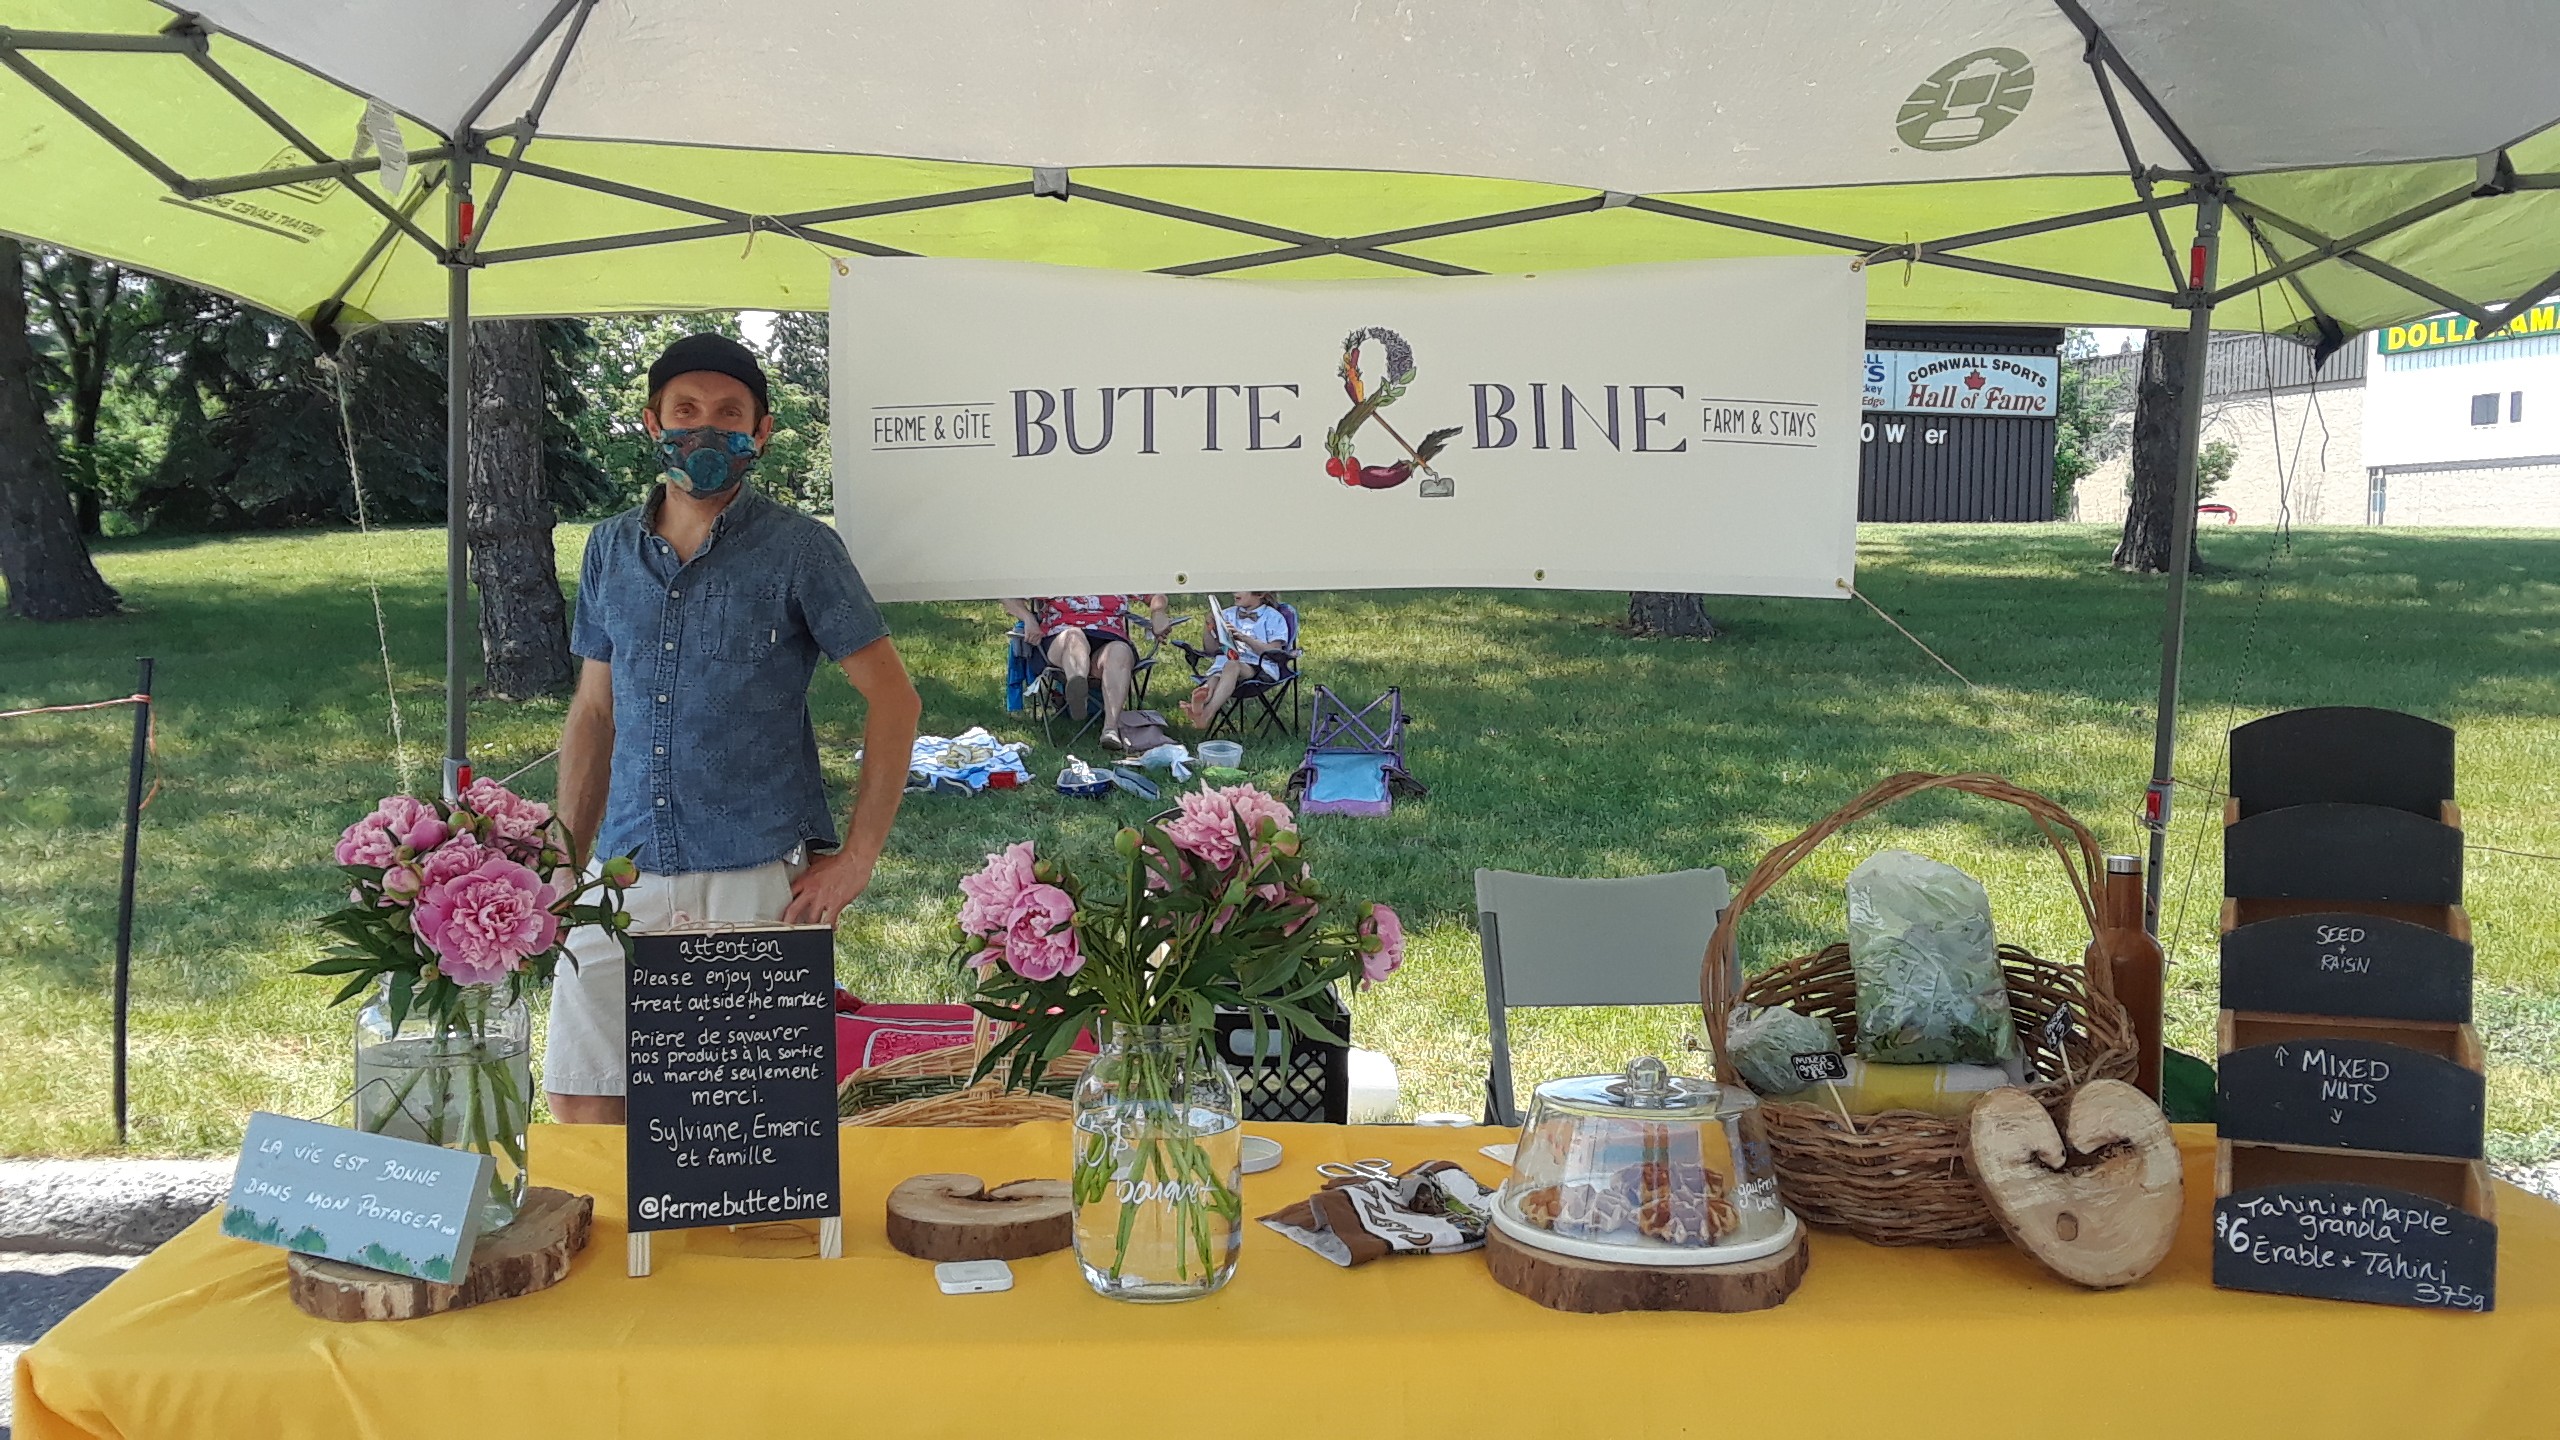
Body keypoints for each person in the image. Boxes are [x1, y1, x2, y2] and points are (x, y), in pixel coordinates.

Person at [547, 333, 922, 1124]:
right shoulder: (609, 549)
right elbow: (594, 711)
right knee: (584, 1099)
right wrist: (562, 866)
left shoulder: (802, 550)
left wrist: (856, 860)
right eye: (686, 410)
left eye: (729, 414)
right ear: (653, 422)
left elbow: (895, 700)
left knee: (744, 1118)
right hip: (622, 870)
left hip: (754, 873)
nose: (705, 429)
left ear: (761, 431)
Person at [999, 593, 1170, 748]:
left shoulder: (1116, 572)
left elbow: (1155, 594)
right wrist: (1028, 618)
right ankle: (1077, 688)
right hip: (1061, 639)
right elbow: (1008, 594)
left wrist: (1158, 613)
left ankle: (1110, 730)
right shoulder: (1051, 572)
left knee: (1119, 651)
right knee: (1074, 637)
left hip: (1109, 638)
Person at [1181, 591, 1291, 729]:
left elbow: (1274, 652)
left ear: (1260, 594)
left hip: (1259, 666)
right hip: (1224, 665)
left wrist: (1244, 638)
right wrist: (1209, 627)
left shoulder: (1273, 617)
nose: (1235, 592)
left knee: (1232, 665)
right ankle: (1201, 702)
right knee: (1216, 676)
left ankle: (1206, 713)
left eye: (1241, 588)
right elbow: (1211, 650)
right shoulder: (1227, 614)